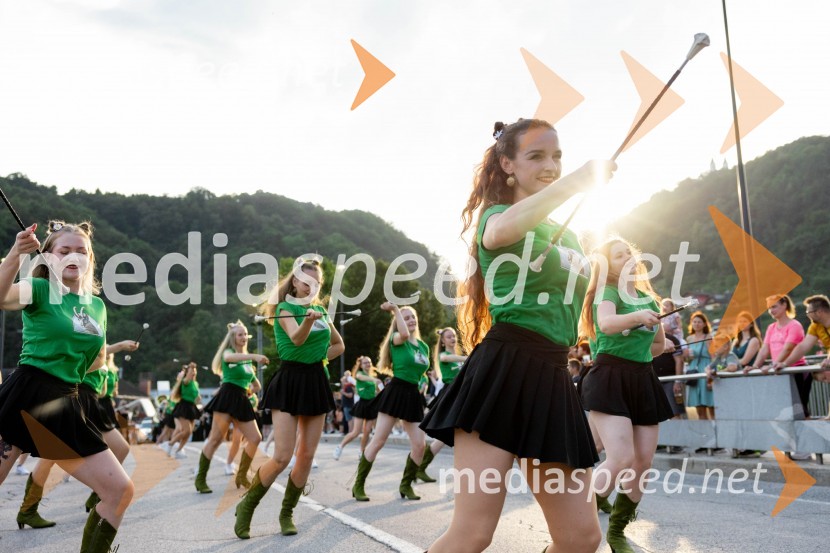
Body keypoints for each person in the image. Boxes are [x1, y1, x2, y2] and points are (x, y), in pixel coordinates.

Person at [420, 118, 616, 553]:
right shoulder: (498, 217)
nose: (551, 165)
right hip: (504, 372)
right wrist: (574, 184)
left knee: (581, 538)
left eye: (558, 156)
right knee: (473, 534)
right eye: (537, 156)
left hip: (552, 375)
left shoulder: (569, 238)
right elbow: (501, 231)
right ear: (507, 164)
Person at [0, 221, 134, 552]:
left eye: (82, 251)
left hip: (67, 400)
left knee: (120, 491)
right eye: (64, 250)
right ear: (48, 257)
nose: (74, 255)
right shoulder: (39, 288)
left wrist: (75, 361)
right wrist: (16, 253)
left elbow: (98, 359)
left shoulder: (97, 306)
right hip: (26, 394)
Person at [233, 258, 344, 539]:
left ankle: (287, 513)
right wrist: (308, 322)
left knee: (306, 456)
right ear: (294, 281)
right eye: (306, 281)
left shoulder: (320, 310)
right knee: (282, 456)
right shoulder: (284, 308)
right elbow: (296, 339)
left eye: (316, 283)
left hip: (315, 380)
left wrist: (321, 357)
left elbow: (339, 345)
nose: (311, 287)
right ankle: (248, 504)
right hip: (290, 380)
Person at [579, 238, 674, 552]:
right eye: (618, 256)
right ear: (608, 266)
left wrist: (651, 330)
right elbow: (606, 324)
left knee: (642, 462)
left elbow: (658, 345)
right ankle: (580, 522)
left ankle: (617, 532)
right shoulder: (607, 292)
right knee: (620, 458)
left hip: (643, 379)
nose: (627, 258)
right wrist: (638, 319)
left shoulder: (647, 298)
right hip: (610, 377)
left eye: (629, 253)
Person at [16, 339, 138, 529]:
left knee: (121, 447)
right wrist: (120, 346)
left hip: (93, 401)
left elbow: (103, 388)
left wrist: (105, 372)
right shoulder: (85, 333)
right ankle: (27, 510)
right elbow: (93, 352)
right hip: (76, 396)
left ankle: (99, 498)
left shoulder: (104, 356)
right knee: (49, 457)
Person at [351, 302, 431, 501]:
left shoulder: (423, 346)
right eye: (405, 318)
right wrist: (396, 310)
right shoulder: (398, 339)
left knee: (420, 445)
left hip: (412, 395)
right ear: (397, 322)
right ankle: (358, 484)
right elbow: (404, 334)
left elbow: (422, 371)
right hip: (396, 391)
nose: (410, 320)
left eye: (412, 317)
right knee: (378, 441)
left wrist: (423, 384)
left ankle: (406, 485)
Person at [194, 321, 266, 493]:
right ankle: (200, 479)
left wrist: (249, 392)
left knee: (255, 438)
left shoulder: (247, 362)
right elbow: (228, 359)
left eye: (244, 334)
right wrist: (254, 357)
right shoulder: (230, 353)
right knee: (215, 439)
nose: (243, 337)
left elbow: (256, 386)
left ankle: (241, 475)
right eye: (239, 334)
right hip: (227, 396)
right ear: (233, 337)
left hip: (241, 398)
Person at [416, 327, 470, 483]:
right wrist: (468, 358)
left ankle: (420, 468)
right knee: (451, 434)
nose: (453, 338)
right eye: (449, 336)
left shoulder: (458, 358)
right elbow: (446, 359)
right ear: (443, 341)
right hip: (451, 394)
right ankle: (419, 468)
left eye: (454, 335)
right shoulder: (444, 355)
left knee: (448, 435)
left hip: (462, 395)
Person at [747, 295, 809, 413]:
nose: (771, 311)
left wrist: (772, 365)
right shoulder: (771, 327)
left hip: (796, 370)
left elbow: (787, 348)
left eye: (774, 307)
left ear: (784, 305)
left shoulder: (794, 325)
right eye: (769, 308)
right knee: (783, 410)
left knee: (800, 410)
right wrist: (755, 366)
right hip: (779, 371)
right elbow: (765, 349)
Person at [772, 294, 830, 398]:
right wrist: (785, 364)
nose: (807, 315)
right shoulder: (816, 326)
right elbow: (803, 346)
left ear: (819, 312)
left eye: (808, 312)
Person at [334, 356, 382, 460]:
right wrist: (374, 380)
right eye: (365, 363)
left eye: (369, 362)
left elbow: (375, 391)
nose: (368, 364)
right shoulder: (360, 374)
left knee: (367, 430)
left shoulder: (373, 375)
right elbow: (361, 378)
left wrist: (379, 391)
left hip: (372, 404)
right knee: (356, 432)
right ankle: (340, 447)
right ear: (361, 365)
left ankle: (362, 451)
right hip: (362, 404)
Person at [166, 362, 201, 458]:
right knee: (186, 430)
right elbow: (185, 380)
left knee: (189, 432)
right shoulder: (186, 381)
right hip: (183, 406)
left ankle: (179, 450)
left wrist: (198, 399)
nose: (193, 372)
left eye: (194, 370)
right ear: (188, 372)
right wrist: (183, 374)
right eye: (191, 370)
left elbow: (197, 396)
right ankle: (170, 444)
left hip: (191, 407)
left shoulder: (195, 383)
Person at [685, 311, 714, 420]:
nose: (696, 324)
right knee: (699, 407)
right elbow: (687, 358)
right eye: (694, 322)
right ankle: (705, 434)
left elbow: (713, 357)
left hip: (705, 368)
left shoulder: (708, 337)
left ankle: (716, 434)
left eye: (699, 322)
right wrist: (687, 355)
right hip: (693, 369)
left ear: (704, 324)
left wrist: (711, 377)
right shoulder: (689, 339)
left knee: (711, 405)